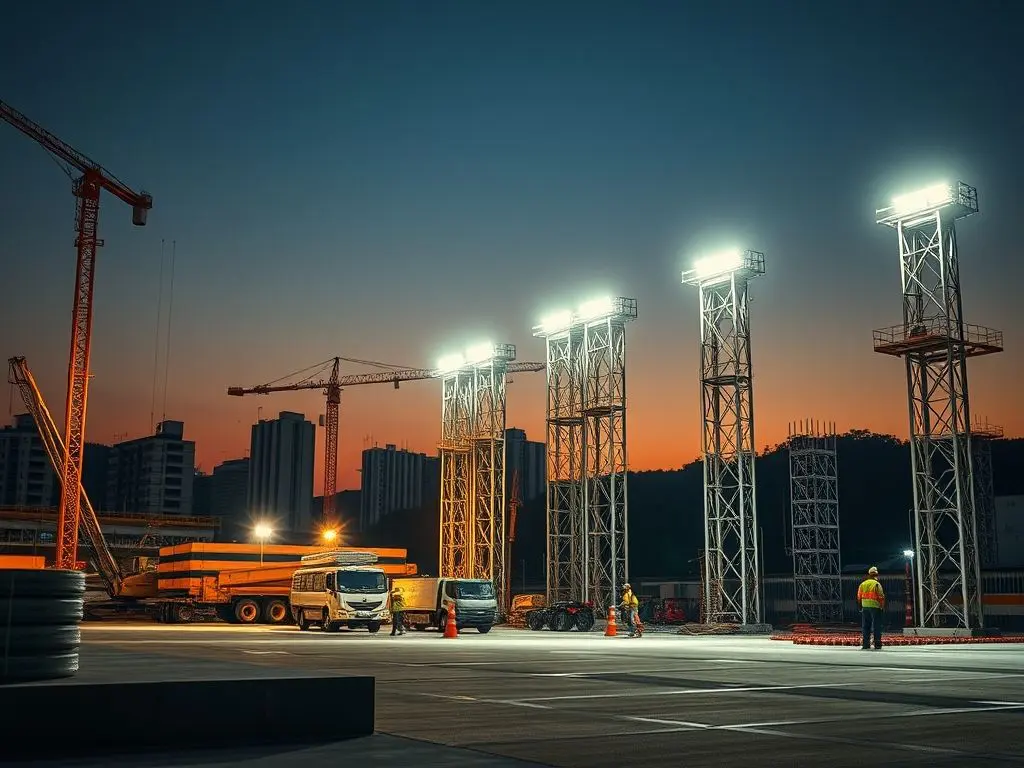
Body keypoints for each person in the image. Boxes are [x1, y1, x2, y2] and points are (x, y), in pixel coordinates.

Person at [857, 566, 886, 650]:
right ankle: (877, 644)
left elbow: (859, 597)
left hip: (865, 607)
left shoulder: (863, 584)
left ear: (869, 574)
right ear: (876, 575)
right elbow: (881, 597)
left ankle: (865, 645)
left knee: (866, 626)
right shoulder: (876, 584)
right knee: (877, 626)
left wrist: (861, 607)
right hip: (875, 607)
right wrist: (882, 606)